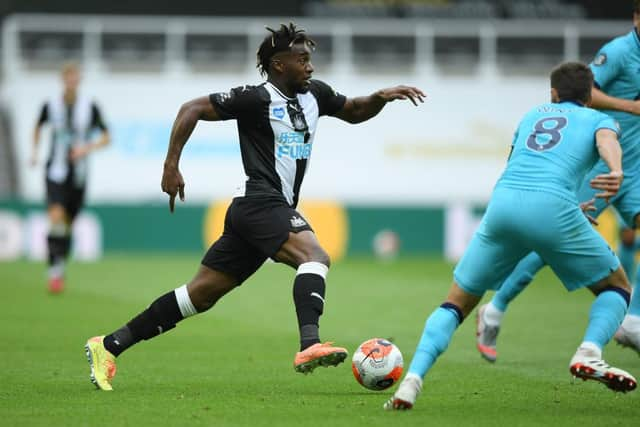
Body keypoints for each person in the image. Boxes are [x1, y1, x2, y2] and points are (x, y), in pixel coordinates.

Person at [83, 22, 425, 391]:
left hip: (260, 212)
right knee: (315, 256)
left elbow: (355, 110)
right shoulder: (256, 99)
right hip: (260, 202)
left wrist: (381, 96)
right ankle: (309, 344)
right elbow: (192, 108)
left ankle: (109, 345)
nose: (310, 67)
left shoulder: (316, 96)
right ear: (280, 65)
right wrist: (171, 164)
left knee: (198, 296)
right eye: (302, 59)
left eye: (310, 59)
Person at [385, 62, 637, 411]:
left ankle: (410, 382)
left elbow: (516, 162)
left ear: (553, 93)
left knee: (455, 302)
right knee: (617, 287)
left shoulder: (532, 115)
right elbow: (607, 141)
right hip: (554, 208)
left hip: (503, 204)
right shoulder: (598, 119)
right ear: (590, 96)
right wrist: (616, 170)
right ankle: (590, 351)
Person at [476, 2, 640, 363]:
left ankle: (633, 318)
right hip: (598, 169)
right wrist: (632, 107)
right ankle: (495, 308)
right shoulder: (619, 52)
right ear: (635, 18)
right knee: (548, 244)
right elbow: (587, 94)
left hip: (634, 171)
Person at [30, 62, 110, 293]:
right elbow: (37, 126)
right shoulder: (51, 105)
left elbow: (106, 136)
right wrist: (35, 152)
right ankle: (54, 272)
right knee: (56, 216)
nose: (72, 81)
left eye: (76, 77)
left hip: (79, 175)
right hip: (55, 171)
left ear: (79, 80)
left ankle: (59, 263)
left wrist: (86, 149)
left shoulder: (89, 107)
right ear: (63, 79)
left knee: (67, 224)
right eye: (68, 77)